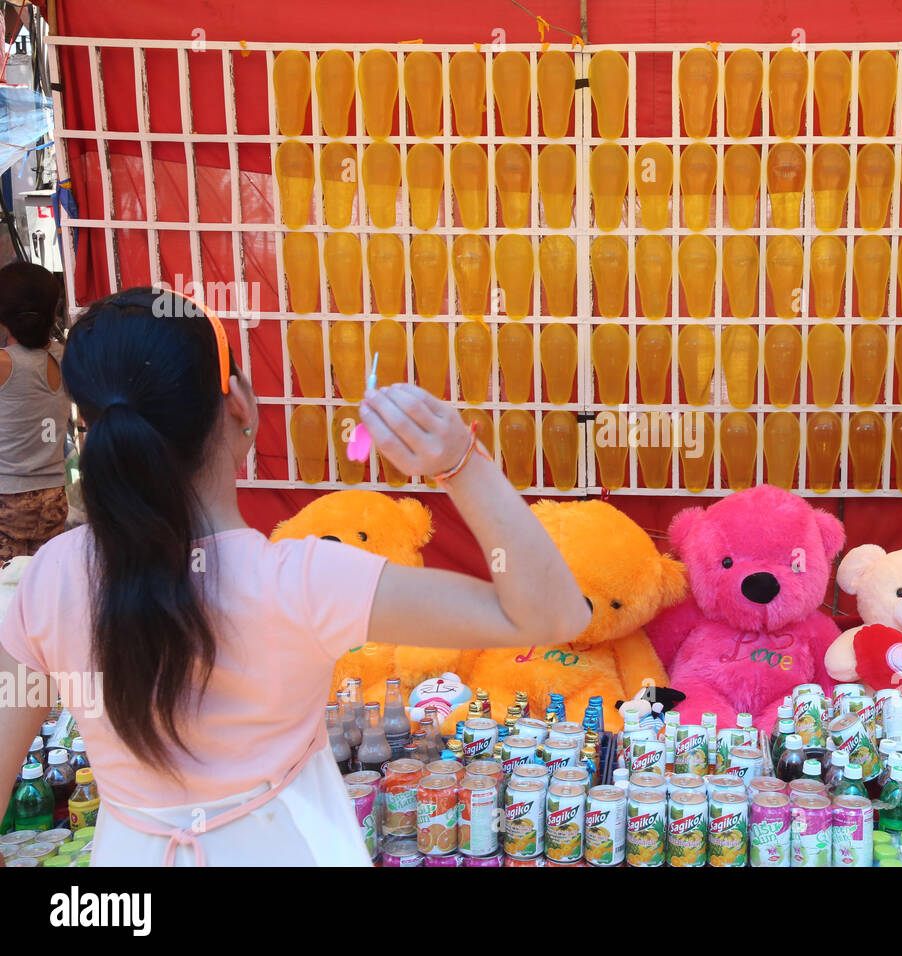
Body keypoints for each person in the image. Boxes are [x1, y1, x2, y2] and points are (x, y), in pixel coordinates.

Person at [0, 288, 592, 866]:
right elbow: (552, 615)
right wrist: (460, 462)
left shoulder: (49, 578)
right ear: (239, 407)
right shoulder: (303, 581)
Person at [0, 261, 71, 563]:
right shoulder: (66, 356)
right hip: (54, 496)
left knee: (7, 594)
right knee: (41, 587)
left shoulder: (5, 364)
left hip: (7, 499)